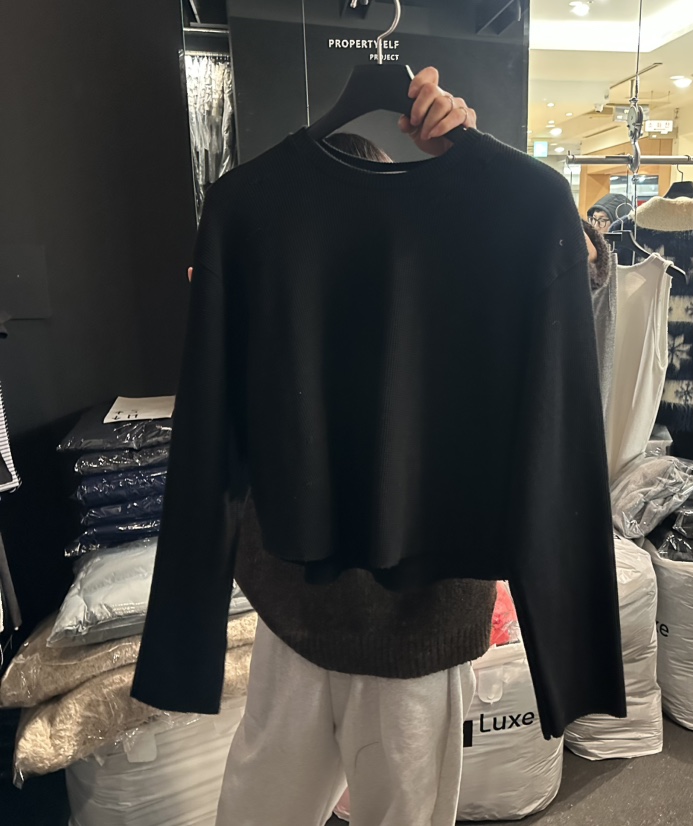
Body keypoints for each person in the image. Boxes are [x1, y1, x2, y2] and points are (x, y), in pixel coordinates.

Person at [183, 68, 491, 826]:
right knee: (263, 804)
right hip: (300, 606)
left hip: (416, 617)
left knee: (385, 808)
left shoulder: (469, 244)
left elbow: (566, 287)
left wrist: (480, 164)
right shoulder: (260, 241)